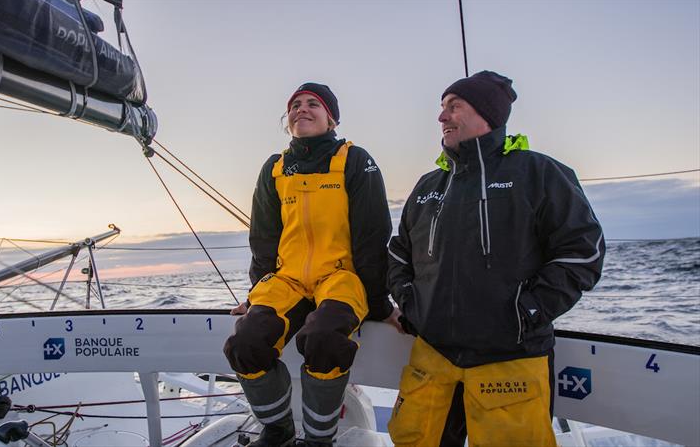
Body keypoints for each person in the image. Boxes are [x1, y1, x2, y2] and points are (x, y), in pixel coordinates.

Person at [387, 71, 605, 447]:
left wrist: (529, 311)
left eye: (454, 106)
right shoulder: (429, 186)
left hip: (511, 357)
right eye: (442, 108)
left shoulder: (538, 173)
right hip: (432, 356)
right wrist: (411, 303)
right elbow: (397, 253)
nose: (442, 117)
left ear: (487, 114)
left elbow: (582, 251)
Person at [224, 82, 401, 447]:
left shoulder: (355, 160)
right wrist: (257, 294)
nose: (302, 109)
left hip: (341, 278)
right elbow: (263, 239)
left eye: (313, 104)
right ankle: (278, 430)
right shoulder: (274, 168)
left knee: (323, 340)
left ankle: (319, 439)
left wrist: (379, 304)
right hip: (286, 281)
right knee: (245, 343)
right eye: (295, 105)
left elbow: (372, 236)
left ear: (331, 118)